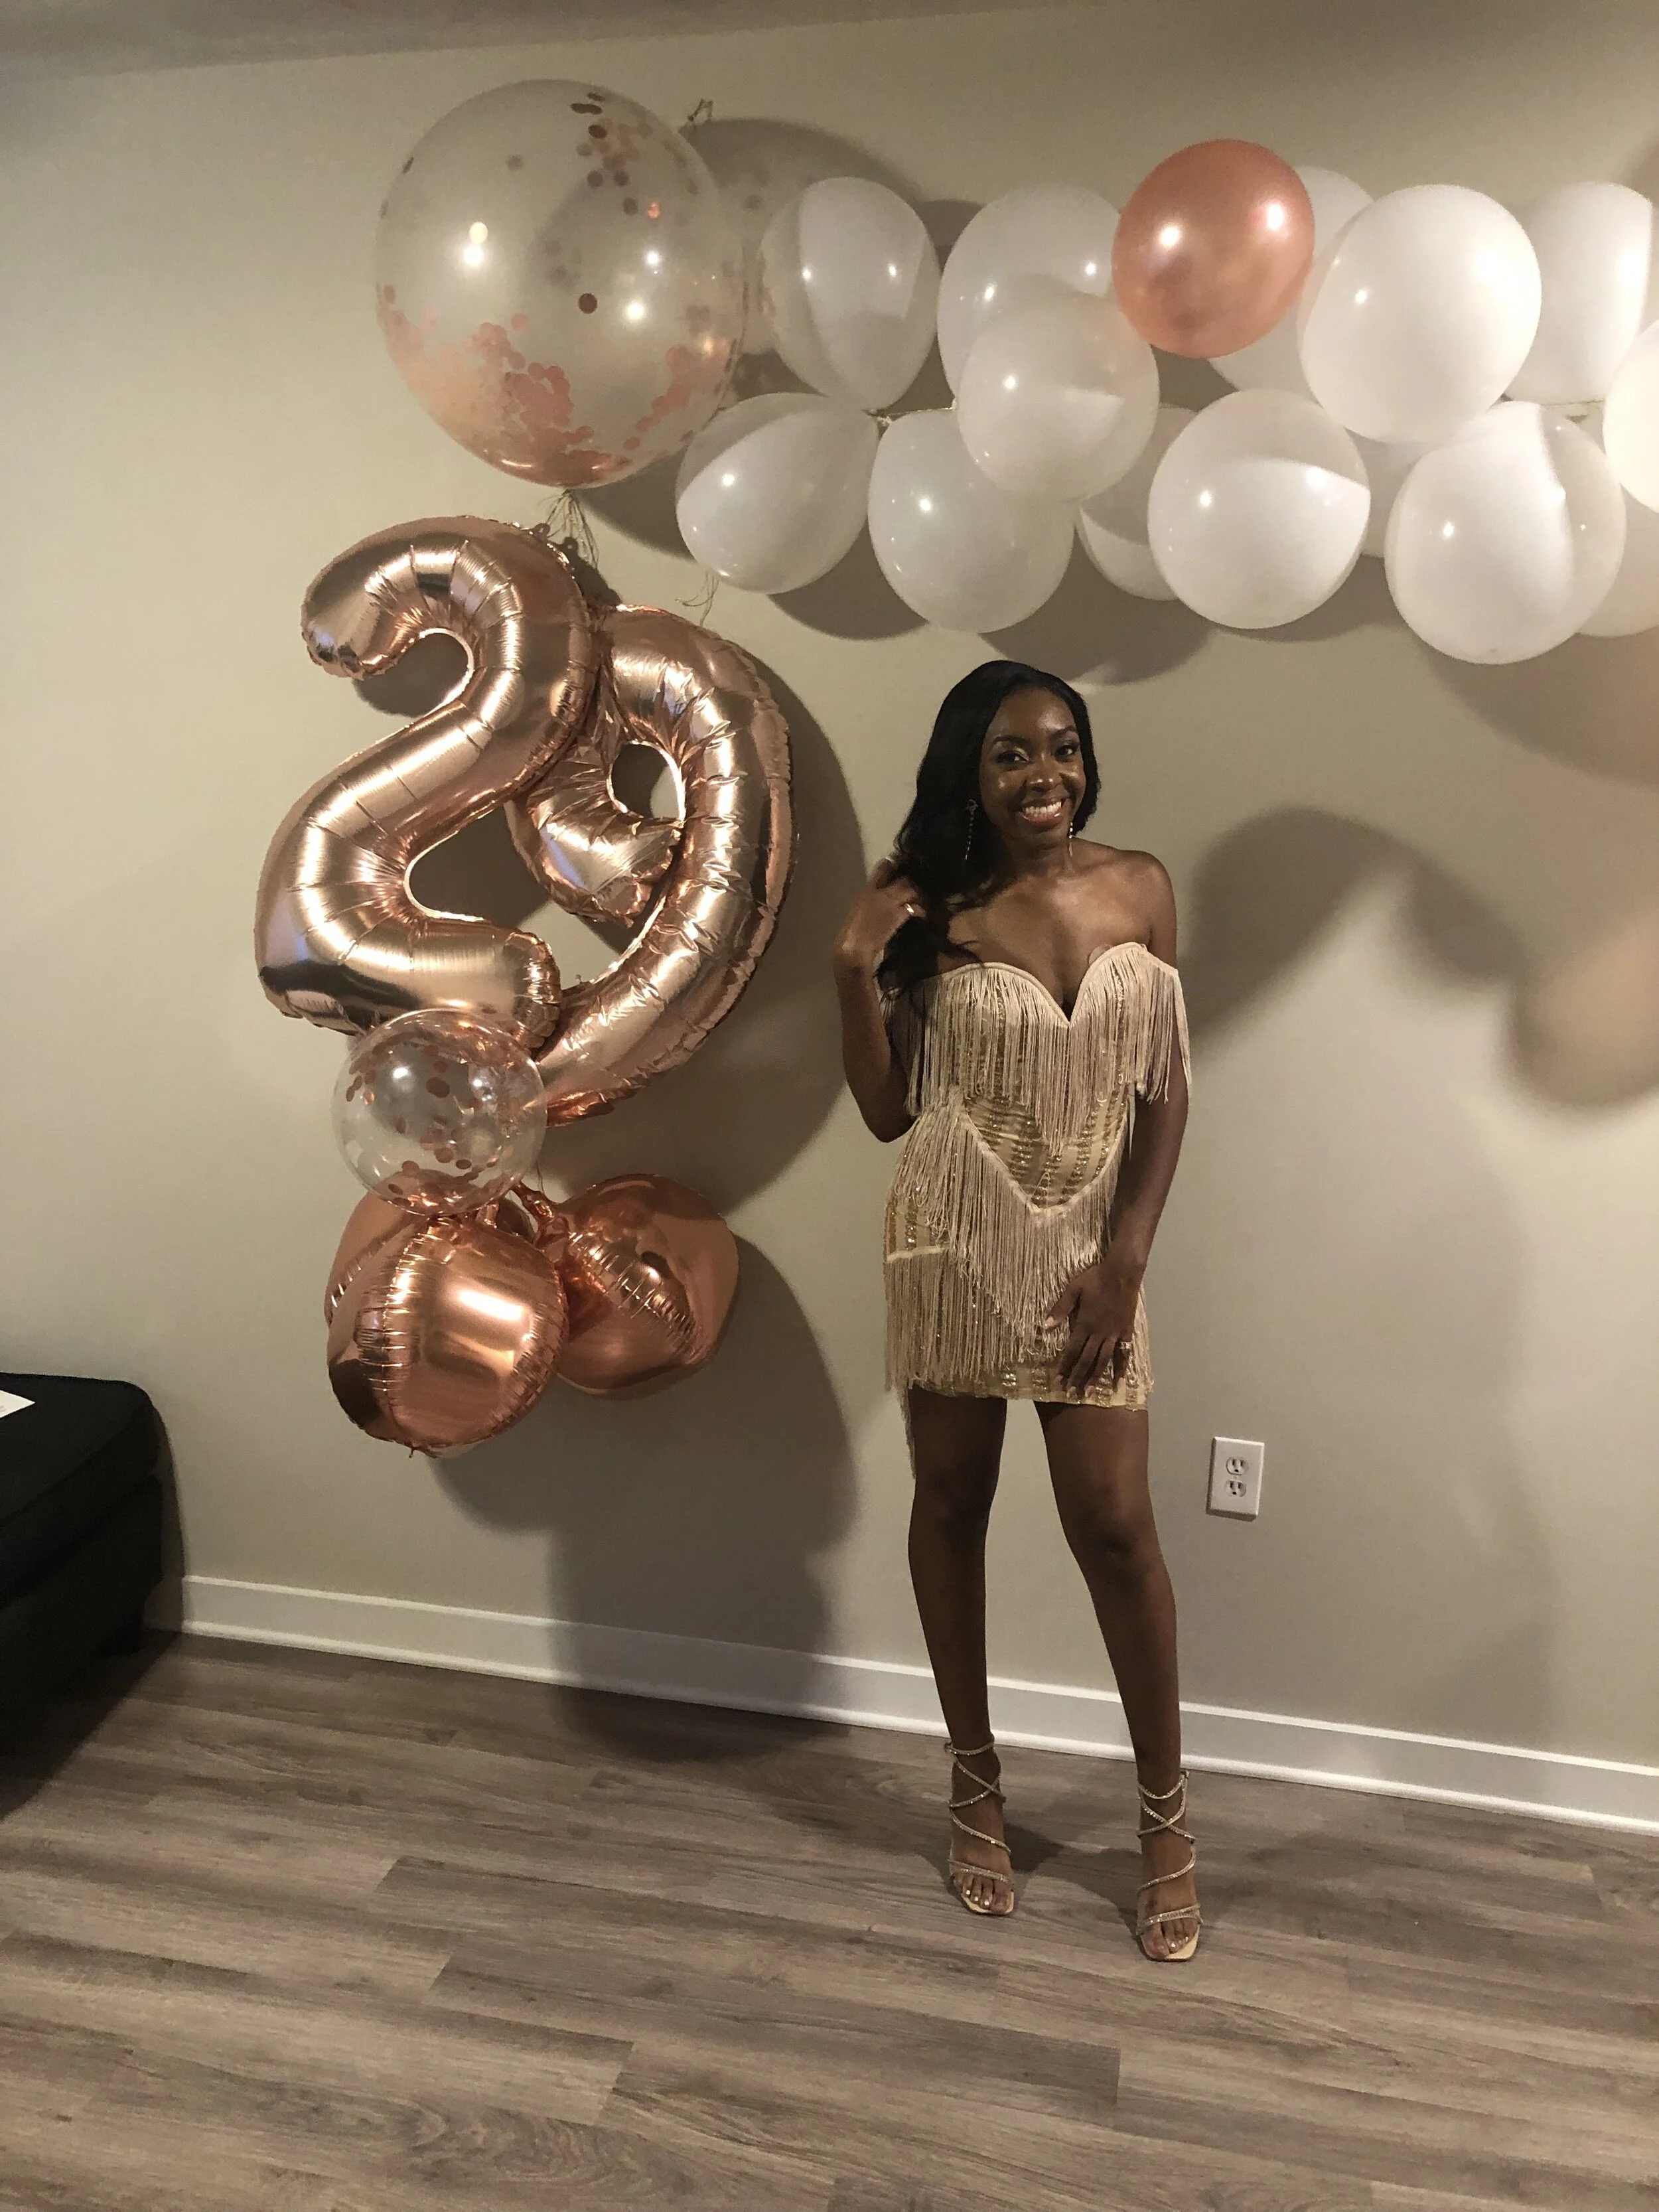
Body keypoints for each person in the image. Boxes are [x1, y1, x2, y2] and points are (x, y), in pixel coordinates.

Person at [832, 660, 1199, 1961]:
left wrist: (1125, 1261)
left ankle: (1163, 1821)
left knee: (1114, 1529)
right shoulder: (926, 908)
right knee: (950, 1508)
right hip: (951, 1235)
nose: (1042, 775)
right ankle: (973, 1782)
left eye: (1061, 748)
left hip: (1089, 1260)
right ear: (966, 772)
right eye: (1009, 755)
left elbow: (1163, 1094)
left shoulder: (1140, 886)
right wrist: (848, 969)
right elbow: (887, 1115)